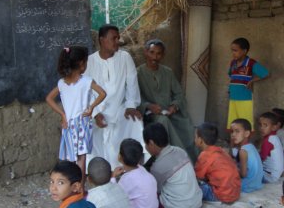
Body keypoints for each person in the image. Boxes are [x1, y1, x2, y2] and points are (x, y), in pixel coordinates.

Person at [86, 25, 145, 167]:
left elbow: (132, 83)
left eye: (118, 38)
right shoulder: (90, 62)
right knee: (86, 128)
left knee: (135, 122)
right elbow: (86, 92)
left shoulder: (125, 57)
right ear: (102, 40)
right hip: (96, 110)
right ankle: (96, 168)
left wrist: (131, 106)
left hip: (119, 109)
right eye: (114, 38)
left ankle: (130, 164)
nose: (118, 41)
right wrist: (95, 113)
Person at [45, 46, 107, 177]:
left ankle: (73, 186)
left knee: (70, 157)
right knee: (81, 158)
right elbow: (102, 93)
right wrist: (91, 107)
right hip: (82, 124)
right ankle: (80, 187)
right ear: (81, 63)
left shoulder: (62, 83)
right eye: (86, 62)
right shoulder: (86, 81)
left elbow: (49, 98)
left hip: (68, 125)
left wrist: (63, 114)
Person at [137, 39, 197, 160]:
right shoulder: (137, 73)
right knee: (163, 121)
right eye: (152, 52)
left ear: (163, 55)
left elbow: (179, 94)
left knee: (188, 127)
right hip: (150, 115)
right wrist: (148, 106)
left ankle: (195, 161)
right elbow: (134, 98)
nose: (155, 57)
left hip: (170, 112)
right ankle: (181, 161)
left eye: (159, 53)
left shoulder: (167, 72)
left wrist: (174, 106)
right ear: (146, 52)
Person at [143, 122, 203, 208]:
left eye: (146, 144)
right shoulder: (180, 150)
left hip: (177, 207)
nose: (146, 147)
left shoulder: (158, 166)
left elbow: (156, 190)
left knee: (146, 195)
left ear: (151, 143)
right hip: (196, 202)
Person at [112, 138, 158, 208]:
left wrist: (113, 178)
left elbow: (116, 196)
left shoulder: (126, 179)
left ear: (120, 157)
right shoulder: (142, 169)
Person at [226, 37, 269, 129]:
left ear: (244, 51)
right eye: (232, 50)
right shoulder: (233, 63)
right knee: (233, 122)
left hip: (245, 98)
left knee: (245, 123)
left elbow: (266, 74)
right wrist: (230, 89)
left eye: (235, 50)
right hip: (233, 97)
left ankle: (245, 142)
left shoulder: (251, 63)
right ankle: (234, 142)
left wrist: (252, 80)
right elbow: (232, 77)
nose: (233, 53)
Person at [194, 122, 241, 204]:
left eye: (195, 137)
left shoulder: (205, 155)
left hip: (220, 195)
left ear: (200, 140)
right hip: (235, 193)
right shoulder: (222, 151)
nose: (194, 139)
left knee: (193, 186)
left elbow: (198, 176)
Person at [229, 118, 263, 193]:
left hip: (247, 185)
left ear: (247, 134)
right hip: (257, 183)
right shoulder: (251, 146)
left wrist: (232, 165)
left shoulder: (243, 151)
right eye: (232, 132)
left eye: (237, 131)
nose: (233, 134)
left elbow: (243, 174)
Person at [258, 112, 284, 183]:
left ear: (274, 127)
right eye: (260, 125)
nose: (261, 128)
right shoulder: (274, 137)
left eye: (265, 125)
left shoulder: (268, 141)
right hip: (276, 174)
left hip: (271, 176)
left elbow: (261, 158)